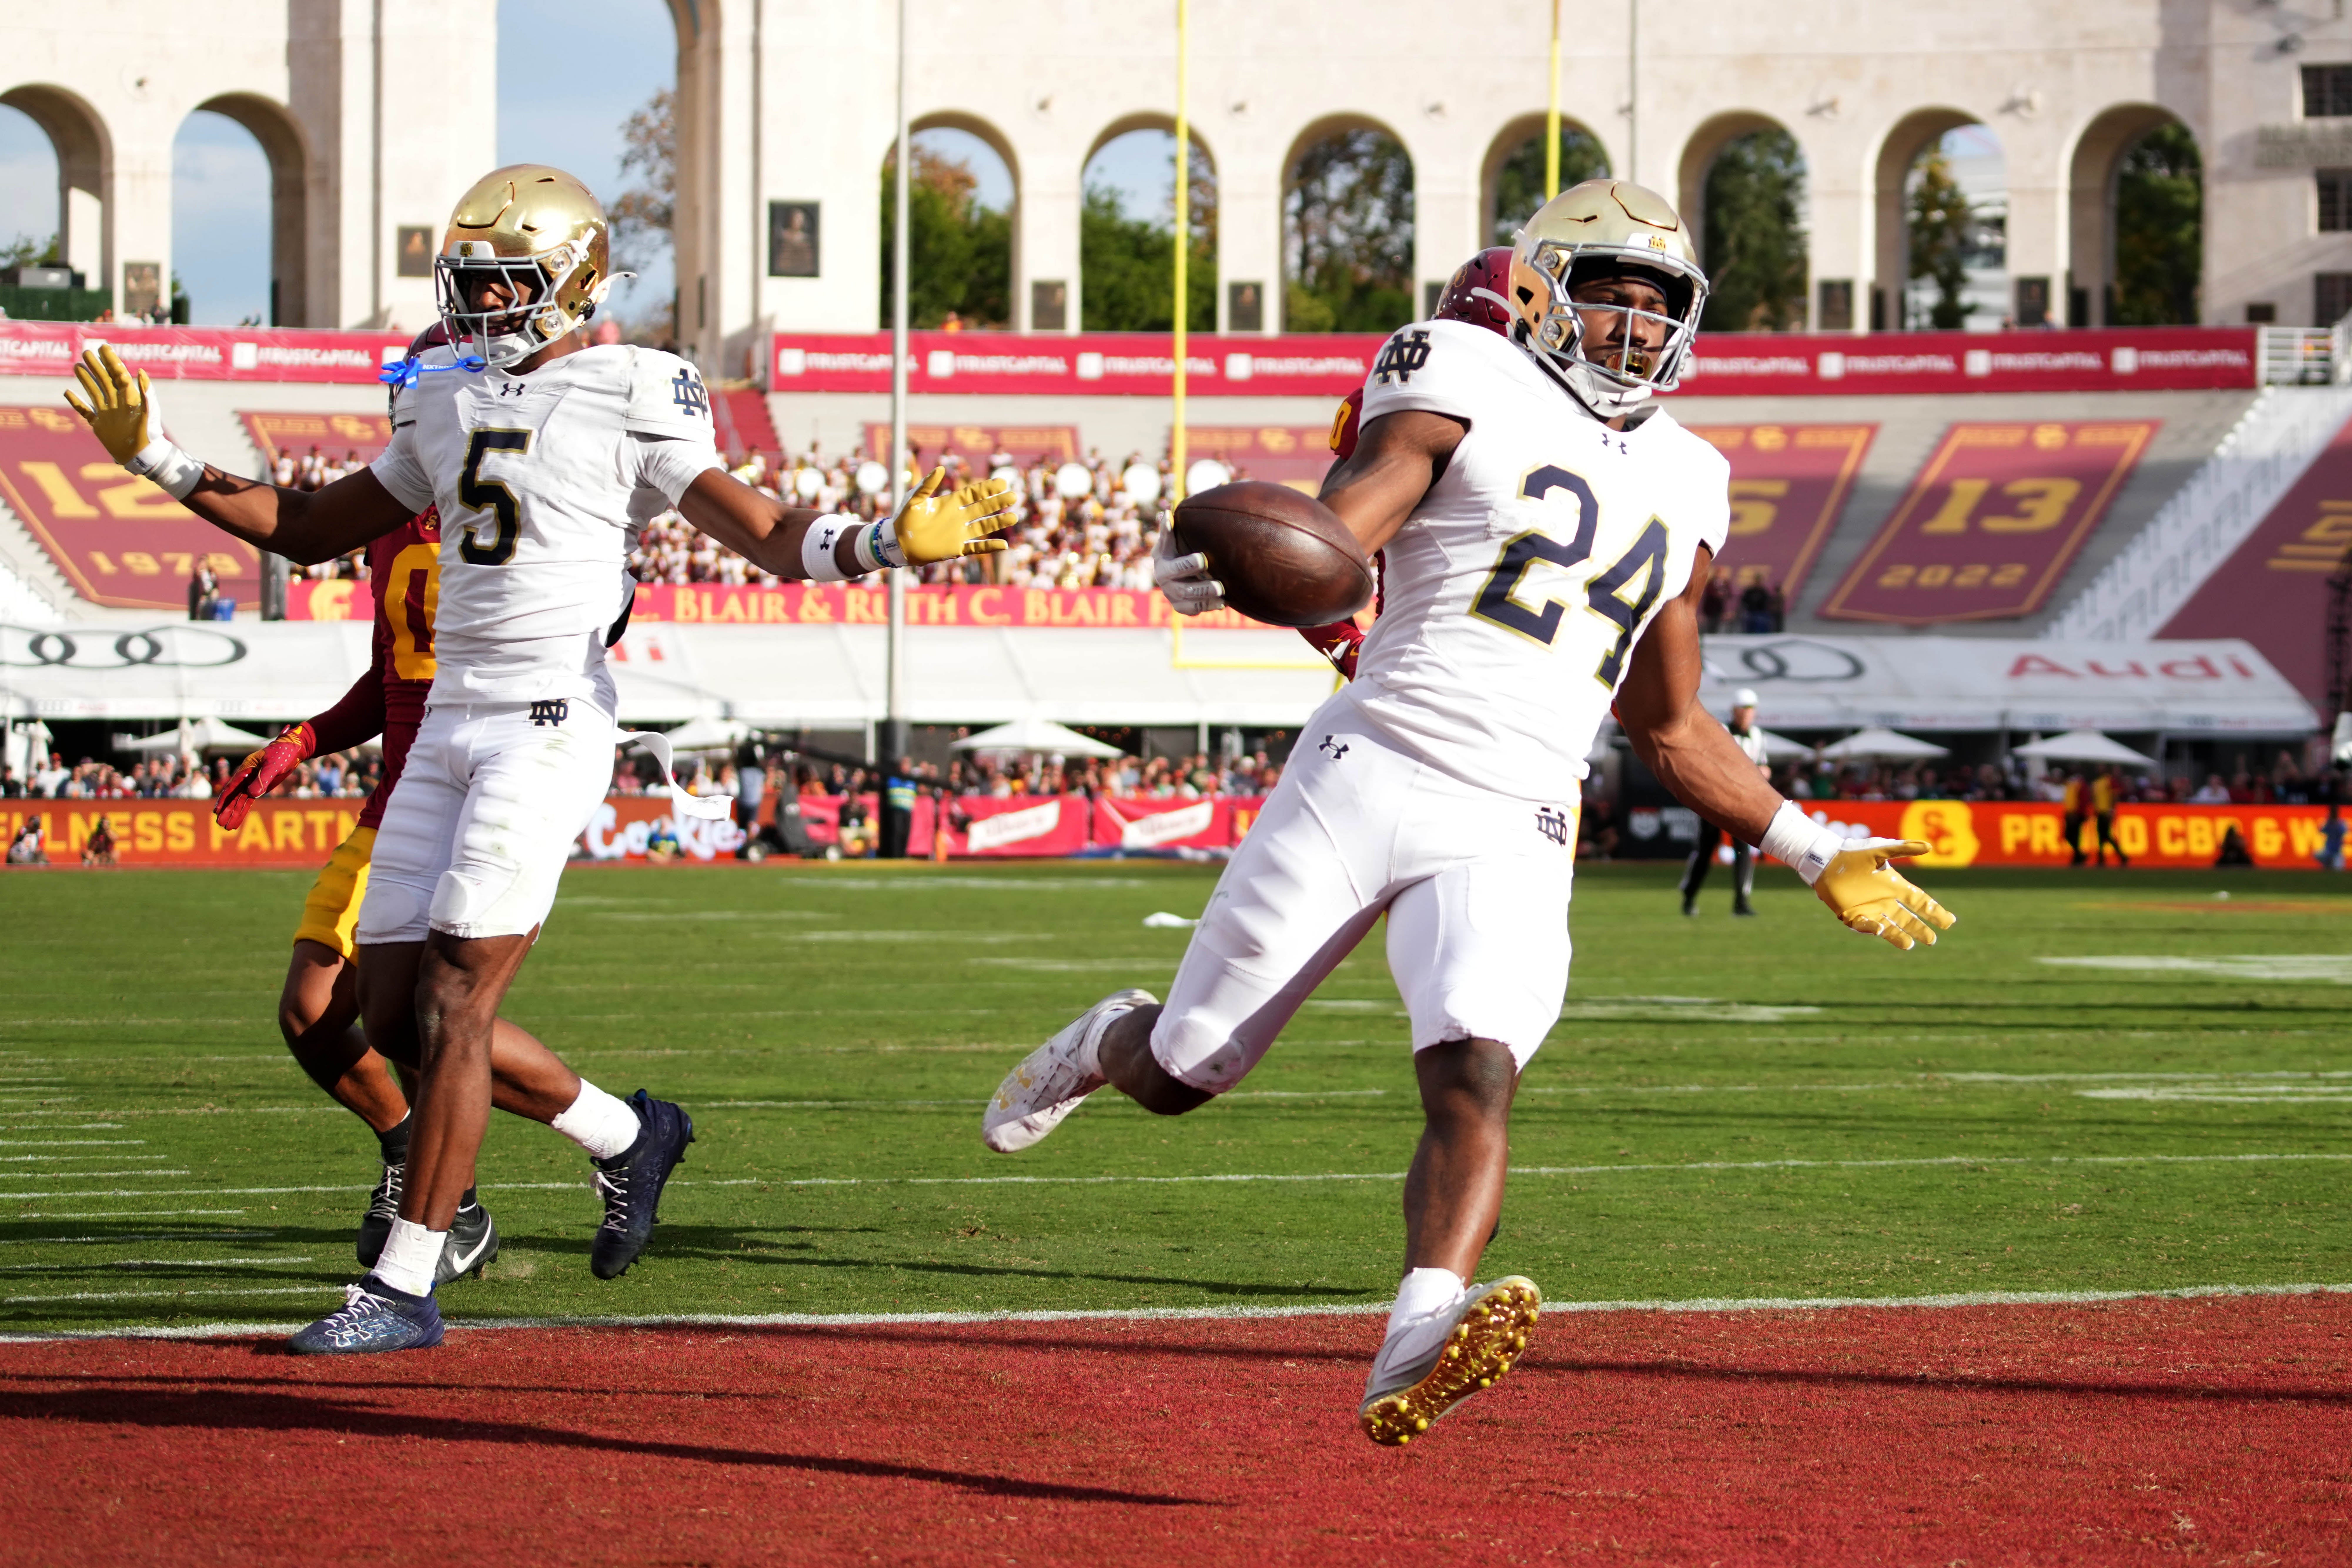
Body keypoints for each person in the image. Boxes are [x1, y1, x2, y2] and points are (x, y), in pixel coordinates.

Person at [986, 179, 1955, 1447]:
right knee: (1183, 1074)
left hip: (1518, 815)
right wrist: (1228, 565)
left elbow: (1669, 725)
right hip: (1369, 763)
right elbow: (1340, 539)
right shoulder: (1460, 367)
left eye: (1661, 304)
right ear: (1545, 297)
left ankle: (1419, 1329)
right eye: (1614, 295)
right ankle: (1117, 1034)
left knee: (1475, 1069)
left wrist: (1812, 843)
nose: (1639, 325)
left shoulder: (1693, 477)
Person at [67, 162, 1017, 1356]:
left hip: (548, 719)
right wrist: (156, 454)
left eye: (505, 281)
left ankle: (406, 1284)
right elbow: (310, 527)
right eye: (467, 280)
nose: (481, 303)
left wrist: (879, 540)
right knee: (387, 1007)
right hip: (445, 723)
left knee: (461, 995)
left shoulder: (635, 386)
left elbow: (764, 530)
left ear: (571, 277)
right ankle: (632, 1135)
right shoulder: (442, 394)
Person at [1681, 687, 1770, 916]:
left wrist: (1763, 772)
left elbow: (1764, 765)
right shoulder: (1721, 731)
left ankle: (1741, 902)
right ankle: (1689, 896)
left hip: (1743, 801)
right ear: (1734, 711)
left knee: (1743, 851)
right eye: (1742, 709)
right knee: (1706, 850)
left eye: (1750, 710)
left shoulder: (1758, 736)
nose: (1746, 714)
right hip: (1716, 799)